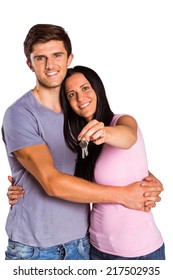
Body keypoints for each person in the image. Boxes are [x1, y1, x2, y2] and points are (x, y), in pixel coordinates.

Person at [1, 24, 163, 260]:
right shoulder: (20, 114)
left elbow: (107, 157)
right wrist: (123, 194)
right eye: (40, 58)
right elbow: (53, 183)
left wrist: (147, 178)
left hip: (84, 242)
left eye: (57, 55)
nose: (50, 66)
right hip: (37, 249)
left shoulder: (78, 115)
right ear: (29, 64)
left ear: (69, 58)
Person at [59, 65, 165, 260]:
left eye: (85, 88)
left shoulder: (122, 121)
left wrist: (105, 132)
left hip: (139, 253)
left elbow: (128, 137)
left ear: (97, 88)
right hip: (95, 248)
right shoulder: (80, 141)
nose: (81, 98)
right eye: (71, 94)